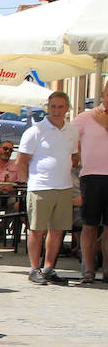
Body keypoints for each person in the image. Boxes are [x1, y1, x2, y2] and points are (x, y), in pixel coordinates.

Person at [17, 90, 80, 285]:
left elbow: (74, 157)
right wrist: (31, 183)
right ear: (48, 108)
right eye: (53, 106)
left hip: (64, 187)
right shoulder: (35, 131)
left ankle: (49, 268)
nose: (57, 110)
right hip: (40, 187)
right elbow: (22, 161)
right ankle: (34, 268)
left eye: (61, 106)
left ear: (67, 108)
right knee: (37, 229)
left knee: (58, 230)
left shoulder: (72, 131)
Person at [70, 98, 108, 284]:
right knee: (90, 224)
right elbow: (67, 136)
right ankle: (88, 269)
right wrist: (74, 154)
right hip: (92, 176)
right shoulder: (87, 117)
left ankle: (107, 270)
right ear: (104, 95)